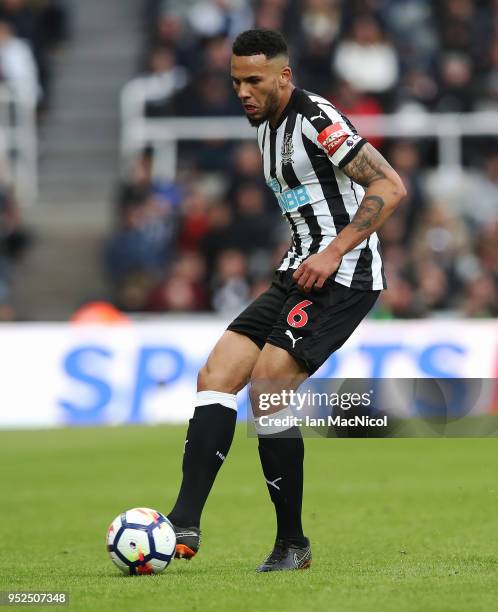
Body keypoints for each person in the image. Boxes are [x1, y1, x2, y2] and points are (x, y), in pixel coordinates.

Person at [166, 29, 406, 572]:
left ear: (284, 76)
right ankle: (183, 523)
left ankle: (292, 544)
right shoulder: (266, 129)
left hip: (343, 274)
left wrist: (332, 251)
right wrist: (304, 253)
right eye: (235, 82)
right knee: (216, 375)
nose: (244, 92)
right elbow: (308, 204)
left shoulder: (316, 119)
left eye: (254, 80)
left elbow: (390, 187)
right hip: (296, 272)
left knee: (268, 387)